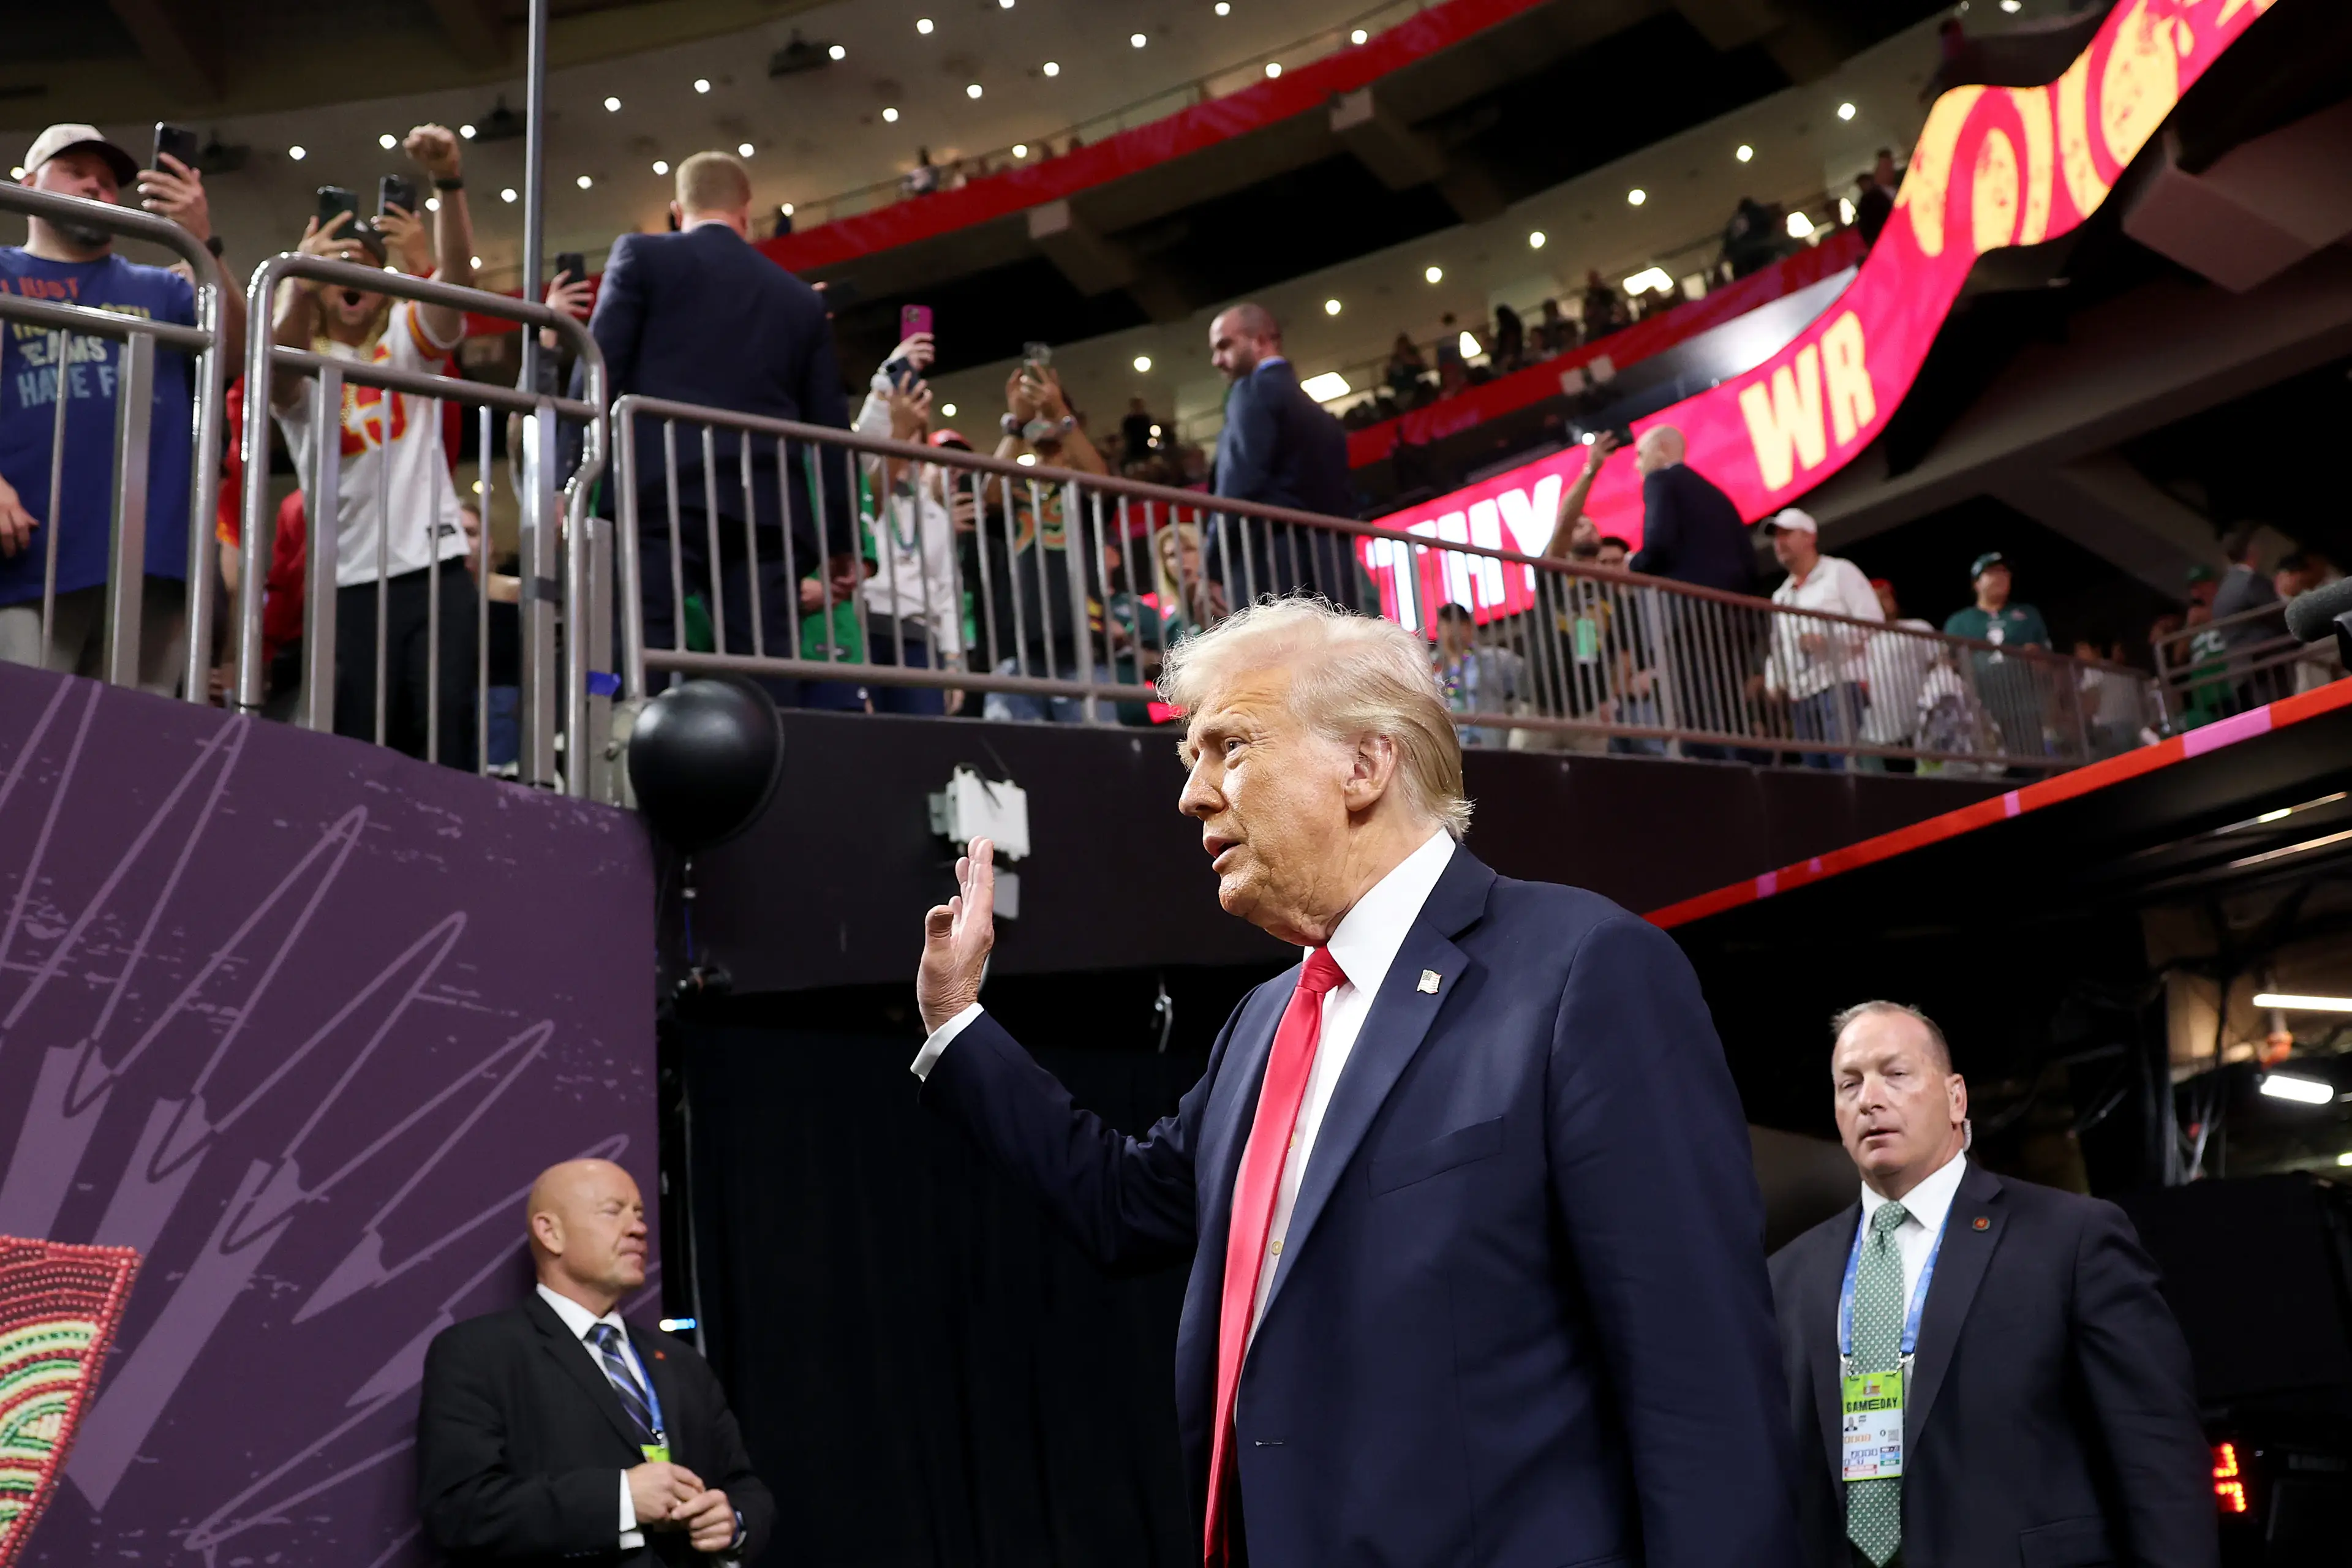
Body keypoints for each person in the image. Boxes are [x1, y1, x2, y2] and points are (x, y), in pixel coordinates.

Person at [913, 599, 1803, 1568]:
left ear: (1366, 765)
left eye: (1230, 748)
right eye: (1190, 762)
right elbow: (1124, 1204)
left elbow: (1699, 1377)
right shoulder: (1264, 1024)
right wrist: (957, 1022)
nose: (1194, 795)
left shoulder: (1586, 972)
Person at [1768, 1003, 2215, 1568]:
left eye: (1896, 1074)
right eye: (1849, 1083)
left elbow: (2157, 1455)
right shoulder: (1786, 1277)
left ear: (1956, 1098)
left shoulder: (2070, 1239)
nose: (1870, 1099)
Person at [587, 150, 853, 707]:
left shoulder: (641, 256)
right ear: (747, 212)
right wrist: (841, 537)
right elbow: (830, 427)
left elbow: (598, 368)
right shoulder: (799, 300)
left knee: (641, 645)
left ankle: (625, 777)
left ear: (676, 209)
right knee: (764, 665)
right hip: (767, 505)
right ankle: (770, 785)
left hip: (659, 489)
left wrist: (573, 473)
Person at [415, 1158, 774, 1566]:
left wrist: (734, 1523)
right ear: (550, 1232)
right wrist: (620, 1500)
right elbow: (459, 1511)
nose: (638, 1228)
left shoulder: (680, 1362)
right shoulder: (478, 1352)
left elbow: (745, 1488)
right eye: (613, 1211)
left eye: (639, 1213)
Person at [1, 122, 250, 693]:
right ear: (29, 182)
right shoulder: (4, 273)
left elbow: (239, 355)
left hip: (152, 560)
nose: (96, 187)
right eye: (76, 172)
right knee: (21, 753)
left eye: (110, 181)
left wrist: (202, 242)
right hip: (26, 552)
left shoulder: (163, 289)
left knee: (129, 761)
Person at [268, 124, 479, 767]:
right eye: (336, 269)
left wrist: (448, 183)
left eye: (363, 265)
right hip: (347, 582)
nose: (350, 277)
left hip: (434, 570)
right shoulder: (302, 358)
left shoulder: (406, 343)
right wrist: (298, 285)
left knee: (448, 728)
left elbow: (455, 282)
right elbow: (277, 379)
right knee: (363, 742)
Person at [808, 335, 965, 715]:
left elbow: (946, 591)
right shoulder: (861, 479)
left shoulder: (933, 513)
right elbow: (867, 439)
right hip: (866, 624)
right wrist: (890, 373)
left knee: (924, 741)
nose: (907, 436)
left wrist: (954, 659)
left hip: (915, 634)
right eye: (901, 428)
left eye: (914, 431)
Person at [973, 360, 1114, 722]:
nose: (1040, 419)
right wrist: (1015, 426)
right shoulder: (1017, 483)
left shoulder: (1080, 479)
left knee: (1096, 758)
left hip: (1079, 643)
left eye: (1043, 411)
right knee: (1015, 764)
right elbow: (988, 498)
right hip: (1018, 644)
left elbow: (1102, 482)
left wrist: (1060, 413)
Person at [1202, 303, 1356, 608]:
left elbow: (1238, 487)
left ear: (1259, 340)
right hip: (1332, 571)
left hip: (1275, 574)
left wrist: (1212, 566)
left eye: (1224, 345)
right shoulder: (1319, 413)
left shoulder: (1250, 392)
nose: (1217, 360)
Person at [1620, 425, 1754, 754]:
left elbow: (1658, 544)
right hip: (1733, 617)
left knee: (1695, 716)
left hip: (1688, 618)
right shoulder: (1718, 495)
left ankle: (1715, 793)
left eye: (1640, 454)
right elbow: (1750, 562)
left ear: (1663, 448)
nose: (1637, 465)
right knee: (1733, 713)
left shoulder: (1660, 481)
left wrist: (1633, 565)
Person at [1758, 508, 1882, 769]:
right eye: (1776, 537)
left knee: (1844, 763)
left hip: (1841, 685)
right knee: (1817, 771)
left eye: (1787, 534)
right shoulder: (1781, 595)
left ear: (1809, 537)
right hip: (1801, 695)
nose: (1779, 542)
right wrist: (1774, 682)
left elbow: (1872, 620)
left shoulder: (1840, 572)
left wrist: (1828, 640)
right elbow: (1779, 646)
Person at [1941, 552, 2051, 765]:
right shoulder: (1960, 622)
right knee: (1993, 766)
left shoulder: (2027, 614)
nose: (2001, 577)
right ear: (1977, 583)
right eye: (1992, 572)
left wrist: (2037, 658)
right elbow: (1948, 664)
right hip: (1981, 705)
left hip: (2024, 703)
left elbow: (2048, 661)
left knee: (2032, 763)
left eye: (2004, 572)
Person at [1860, 579, 1936, 772]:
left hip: (1921, 728)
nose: (1880, 603)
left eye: (1885, 596)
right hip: (1878, 734)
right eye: (1874, 598)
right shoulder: (1856, 640)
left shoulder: (1918, 628)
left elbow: (1939, 667)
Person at [1430, 601, 1525, 748]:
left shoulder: (1497, 660)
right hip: (1454, 752)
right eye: (1447, 623)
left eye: (1459, 623)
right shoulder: (1434, 672)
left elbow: (1528, 686)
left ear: (1469, 627)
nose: (1452, 629)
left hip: (1490, 748)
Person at [2209, 524, 2282, 706]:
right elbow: (2282, 617)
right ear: (2251, 550)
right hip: (2266, 666)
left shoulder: (2222, 591)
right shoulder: (2251, 582)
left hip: (2239, 670)